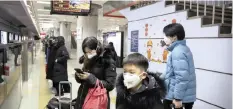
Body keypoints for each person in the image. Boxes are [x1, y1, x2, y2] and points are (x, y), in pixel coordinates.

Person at [74, 36, 117, 109]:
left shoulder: (107, 61)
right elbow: (86, 77)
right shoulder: (87, 59)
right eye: (86, 52)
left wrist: (91, 78)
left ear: (97, 48)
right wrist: (79, 76)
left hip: (97, 100)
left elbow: (110, 85)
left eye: (90, 52)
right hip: (83, 96)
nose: (88, 55)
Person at [161, 23, 196, 109]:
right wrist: (159, 79)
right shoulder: (182, 48)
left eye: (166, 36)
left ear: (174, 37)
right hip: (181, 94)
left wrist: (177, 98)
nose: (163, 38)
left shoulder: (178, 52)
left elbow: (182, 77)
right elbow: (172, 71)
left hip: (177, 96)